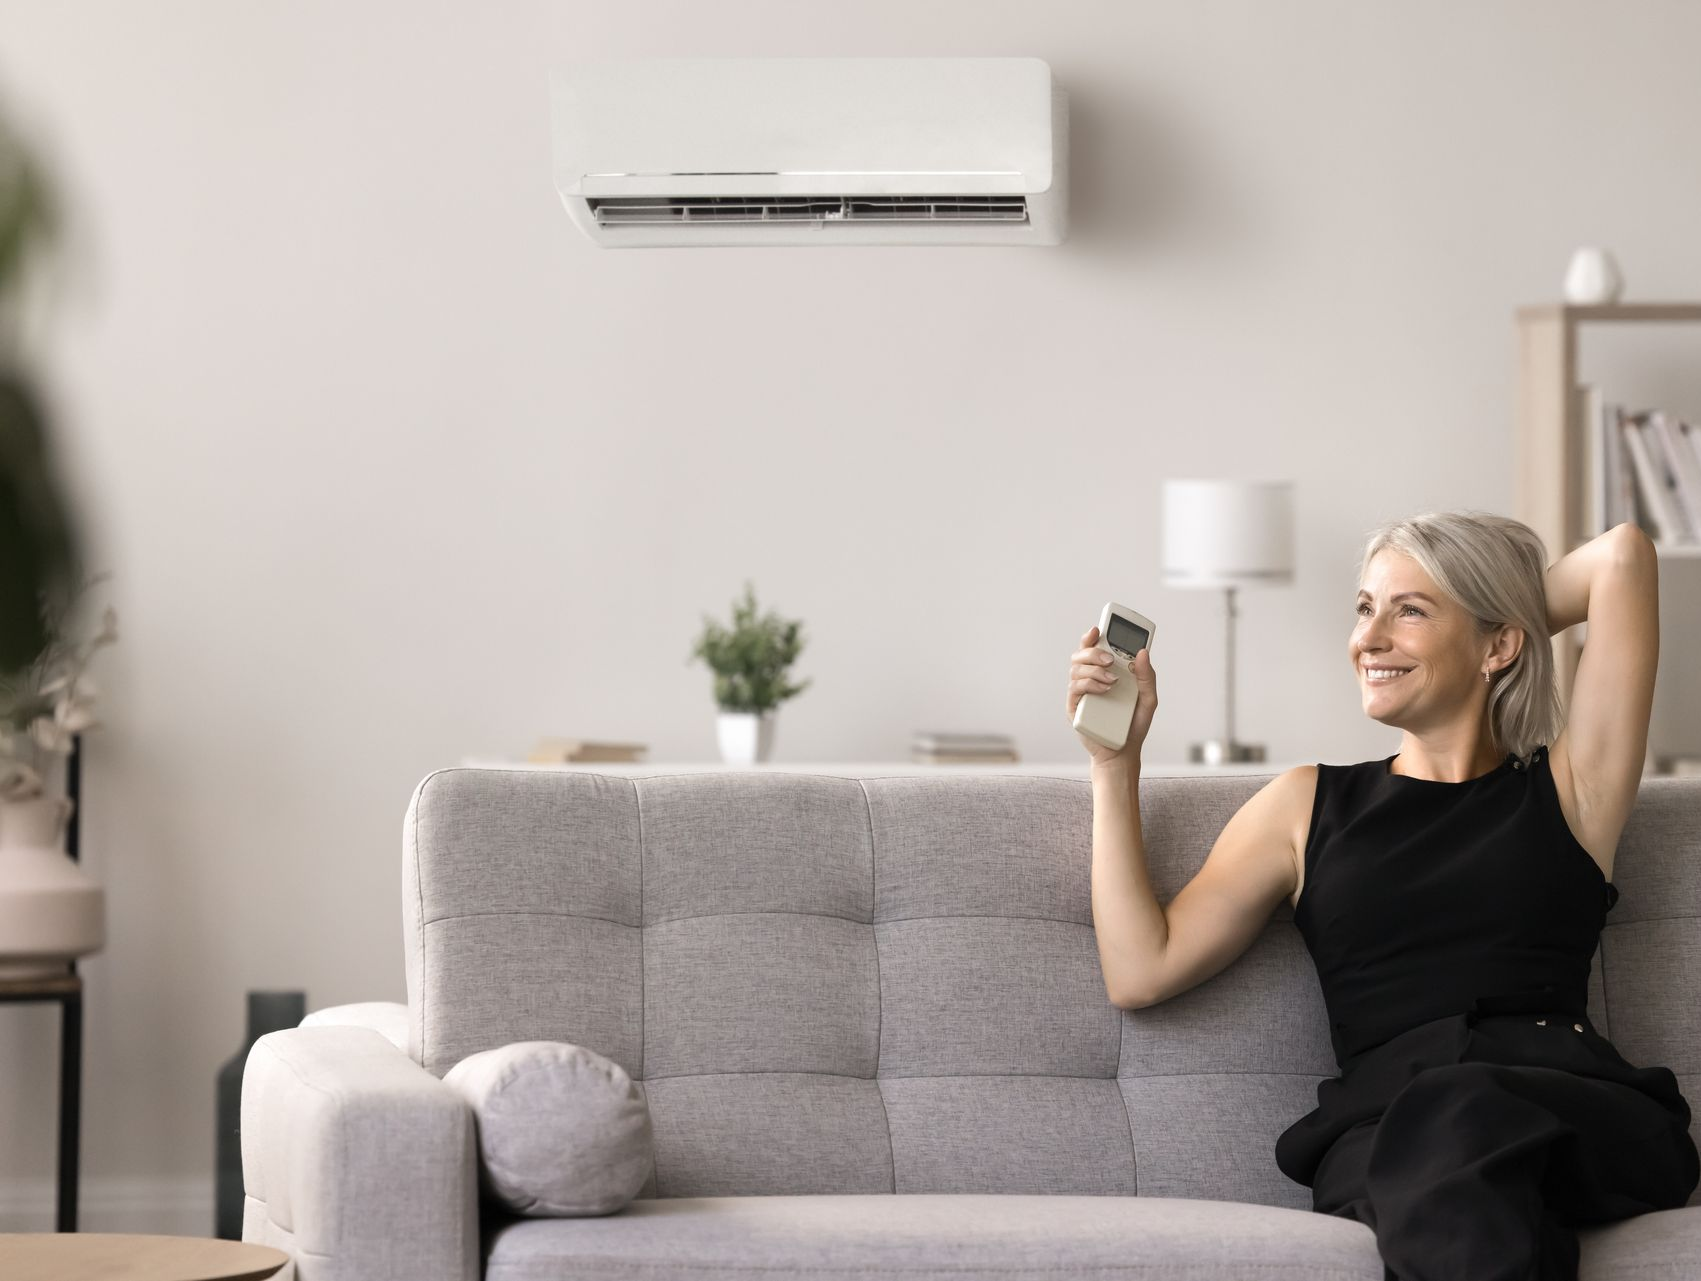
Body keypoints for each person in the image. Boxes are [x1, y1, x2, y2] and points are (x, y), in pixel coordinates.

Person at [1066, 510, 1698, 1281]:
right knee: (1450, 1139)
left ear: (1500, 645)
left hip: (1571, 1109)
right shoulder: (1304, 805)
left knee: (1461, 1112)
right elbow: (1140, 968)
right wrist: (1114, 762)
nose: (1367, 638)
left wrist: (1491, 600)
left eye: (1410, 610)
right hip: (1386, 1128)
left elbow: (1622, 558)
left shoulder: (1569, 790)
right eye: (1365, 607)